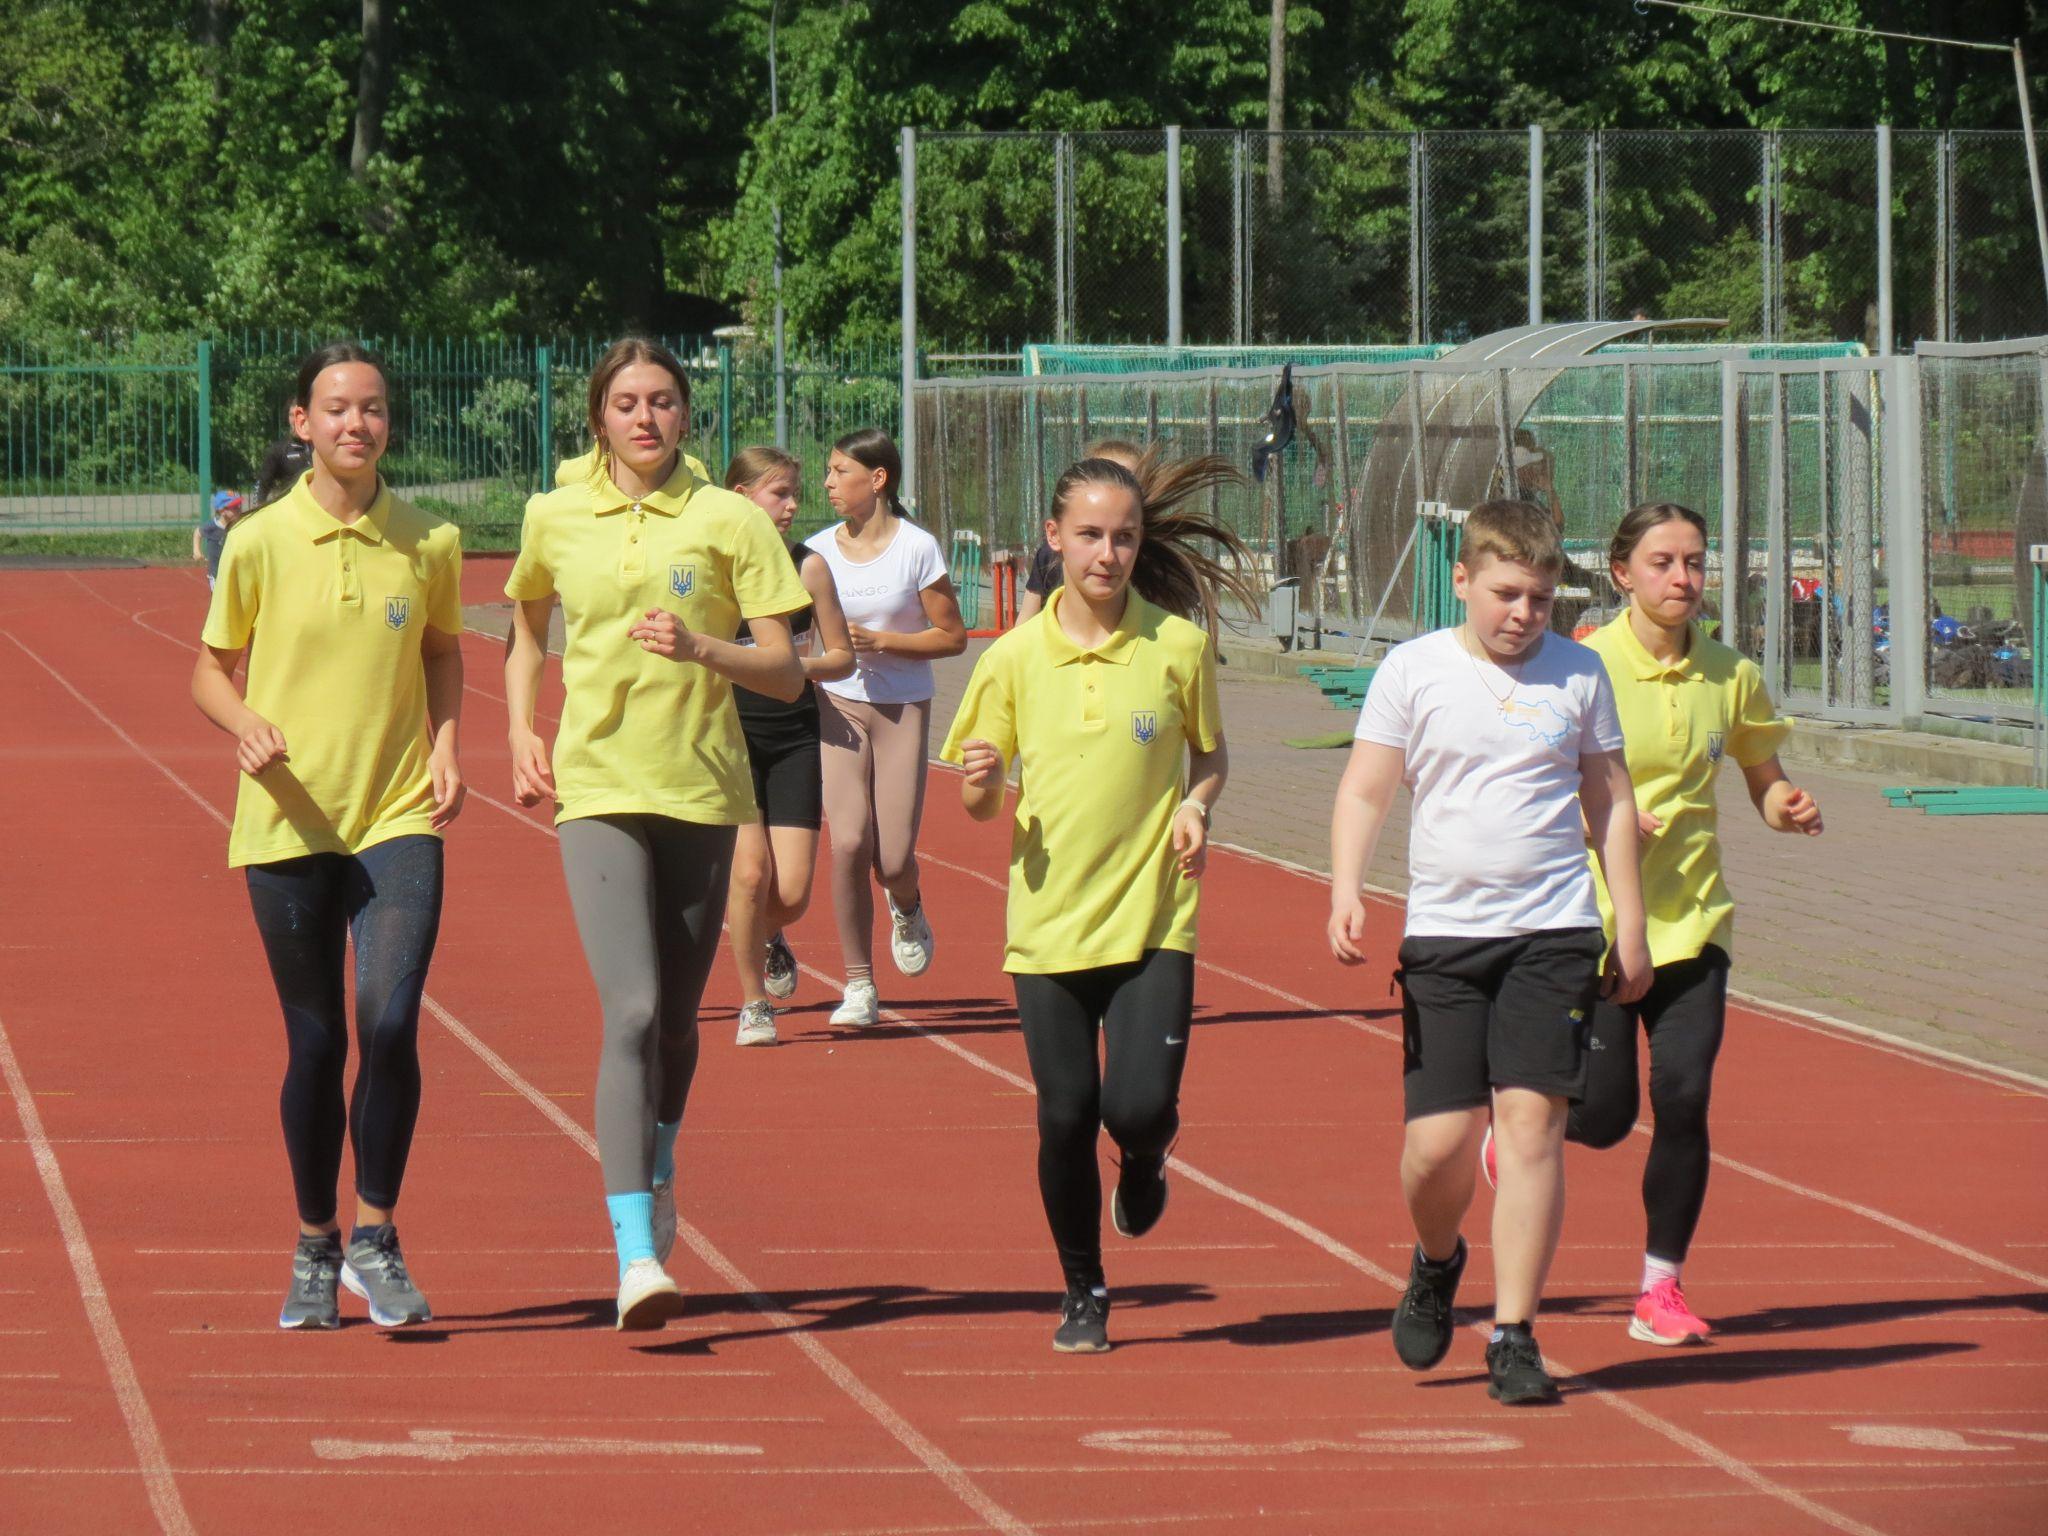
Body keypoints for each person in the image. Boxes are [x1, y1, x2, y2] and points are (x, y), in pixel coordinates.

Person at [503, 339, 808, 1328]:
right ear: (599, 415)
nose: (645, 418)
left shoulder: (728, 519)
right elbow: (526, 630)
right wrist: (520, 729)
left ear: (686, 414)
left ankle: (660, 1153)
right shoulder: (554, 514)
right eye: (627, 402)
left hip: (701, 786)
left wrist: (702, 646)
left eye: (664, 401)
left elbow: (786, 671)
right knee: (630, 1012)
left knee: (677, 1020)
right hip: (597, 784)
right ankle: (634, 1255)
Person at [1327, 498, 1651, 1407]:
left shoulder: (1579, 673)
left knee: (1531, 1127)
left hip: (1553, 932)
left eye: (1542, 599)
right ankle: (1437, 1260)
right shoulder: (1414, 670)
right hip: (1445, 936)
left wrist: (1629, 923)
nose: (1524, 614)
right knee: (1437, 1147)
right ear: (1462, 580)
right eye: (1507, 594)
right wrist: (1347, 887)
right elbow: (1365, 789)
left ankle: (1515, 1334)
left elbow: (1610, 799)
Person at [942, 451, 1256, 1353]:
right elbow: (976, 801)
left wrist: (1196, 807)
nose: (1107, 555)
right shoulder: (1011, 659)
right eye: (1088, 535)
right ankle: (1084, 1288)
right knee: (1066, 1115)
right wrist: (983, 778)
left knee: (1138, 1108)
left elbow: (1210, 756)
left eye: (1123, 537)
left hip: (1155, 916)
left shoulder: (1177, 646)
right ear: (1054, 538)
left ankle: (1147, 1156)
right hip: (1049, 922)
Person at [189, 342, 466, 1330]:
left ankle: (376, 1238)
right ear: (302, 423)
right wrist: (244, 724)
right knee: (315, 1042)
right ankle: (316, 1244)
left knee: (390, 1025)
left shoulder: (429, 540)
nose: (359, 423)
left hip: (396, 815)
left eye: (374, 408)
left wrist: (446, 744)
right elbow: (210, 669)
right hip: (287, 822)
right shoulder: (259, 542)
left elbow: (442, 653)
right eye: (339, 408)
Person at [1548, 501, 1822, 1346]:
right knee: (1601, 1120)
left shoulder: (1730, 675)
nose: (1683, 579)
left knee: (1686, 1098)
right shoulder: (1583, 666)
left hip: (1695, 921)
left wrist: (1786, 804)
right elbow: (1536, 785)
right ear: (1622, 572)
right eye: (1663, 563)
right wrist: (1603, 819)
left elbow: (1762, 777)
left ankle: (1659, 1288)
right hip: (1595, 919)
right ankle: (1526, 1114)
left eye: (1695, 562)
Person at [804, 429, 967, 1027]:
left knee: (892, 859)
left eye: (840, 471)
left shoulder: (917, 548)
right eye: (828, 470)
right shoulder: (815, 552)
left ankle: (907, 903)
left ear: (878, 480)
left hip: (901, 707)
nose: (828, 482)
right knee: (848, 841)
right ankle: (858, 983)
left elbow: (953, 637)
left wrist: (885, 641)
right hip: (838, 703)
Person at [721, 446, 855, 1046]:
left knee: (792, 894)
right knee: (751, 874)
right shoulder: (714, 569)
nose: (794, 504)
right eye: (780, 493)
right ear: (742, 497)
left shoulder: (809, 568)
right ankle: (754, 1003)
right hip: (729, 735)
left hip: (794, 733)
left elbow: (842, 655)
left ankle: (761, 931)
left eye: (796, 493)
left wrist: (791, 665)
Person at [1016, 438, 1144, 623]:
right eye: (1090, 534)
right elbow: (1025, 618)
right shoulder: (1049, 555)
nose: (1108, 556)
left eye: (1128, 479)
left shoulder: (1158, 566)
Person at [194, 490, 245, 588]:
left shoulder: (238, 525)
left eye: (239, 506)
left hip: (234, 572)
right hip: (216, 575)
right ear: (222, 511)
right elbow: (198, 532)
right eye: (234, 507)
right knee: (219, 596)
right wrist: (196, 551)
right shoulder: (213, 526)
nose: (239, 509)